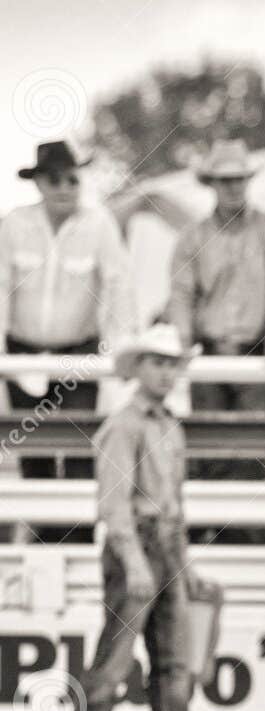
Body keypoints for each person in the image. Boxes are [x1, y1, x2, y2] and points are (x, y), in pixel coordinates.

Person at [55, 324, 227, 711]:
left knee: (170, 661)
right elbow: (115, 504)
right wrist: (134, 560)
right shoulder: (126, 425)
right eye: (158, 362)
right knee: (117, 660)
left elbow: (174, 502)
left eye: (172, 364)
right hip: (138, 543)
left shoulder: (166, 425)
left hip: (162, 543)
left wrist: (182, 562)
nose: (167, 372)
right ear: (139, 369)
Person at [166, 139, 265, 545]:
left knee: (252, 447)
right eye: (224, 181)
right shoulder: (192, 238)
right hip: (208, 353)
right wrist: (185, 343)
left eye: (238, 180)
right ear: (212, 184)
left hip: (256, 352)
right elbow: (181, 293)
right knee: (211, 447)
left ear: (247, 182)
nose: (232, 188)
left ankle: (249, 534)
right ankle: (219, 532)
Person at [0, 139, 134, 543]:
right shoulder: (14, 224)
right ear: (39, 183)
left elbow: (118, 287)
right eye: (55, 179)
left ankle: (74, 546)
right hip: (23, 355)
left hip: (79, 355)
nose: (65, 187)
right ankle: (45, 548)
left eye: (72, 179)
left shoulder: (100, 224)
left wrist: (119, 356)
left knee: (78, 450)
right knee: (34, 455)